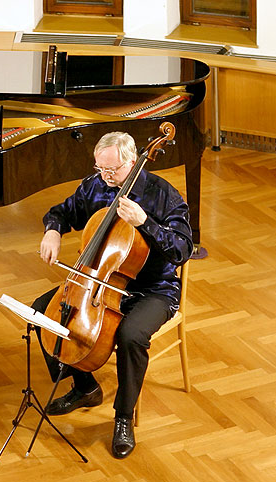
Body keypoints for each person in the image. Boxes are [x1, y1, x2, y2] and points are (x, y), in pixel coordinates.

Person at [35, 131, 193, 459]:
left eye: (113, 171)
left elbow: (183, 249)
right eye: (100, 170)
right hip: (100, 284)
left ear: (132, 163)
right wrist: (52, 230)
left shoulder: (163, 195)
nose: (105, 178)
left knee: (131, 335)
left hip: (153, 289)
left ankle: (123, 417)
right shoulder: (95, 186)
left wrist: (145, 222)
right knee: (44, 312)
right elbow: (62, 212)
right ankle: (85, 387)